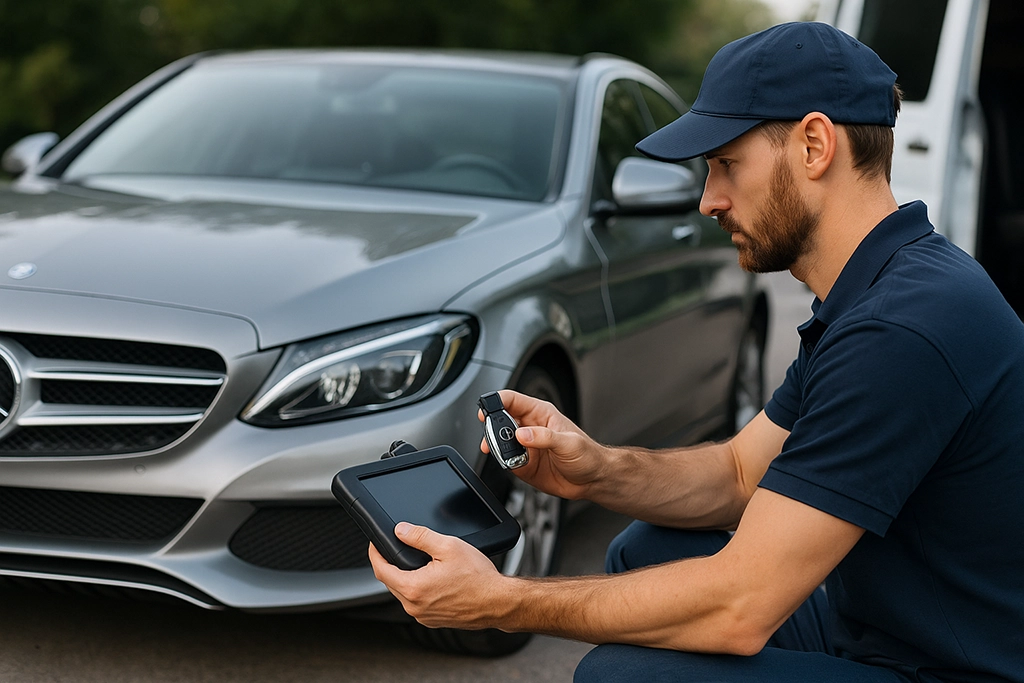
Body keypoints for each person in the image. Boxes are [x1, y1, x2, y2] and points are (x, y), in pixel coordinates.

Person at [368, 22, 1024, 682]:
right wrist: (596, 469)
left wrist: (502, 603)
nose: (709, 198)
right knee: (647, 550)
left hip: (951, 667)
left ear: (815, 145)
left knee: (620, 674)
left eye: (725, 164)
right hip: (881, 630)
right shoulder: (875, 294)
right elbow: (742, 474)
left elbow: (740, 608)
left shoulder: (903, 328)